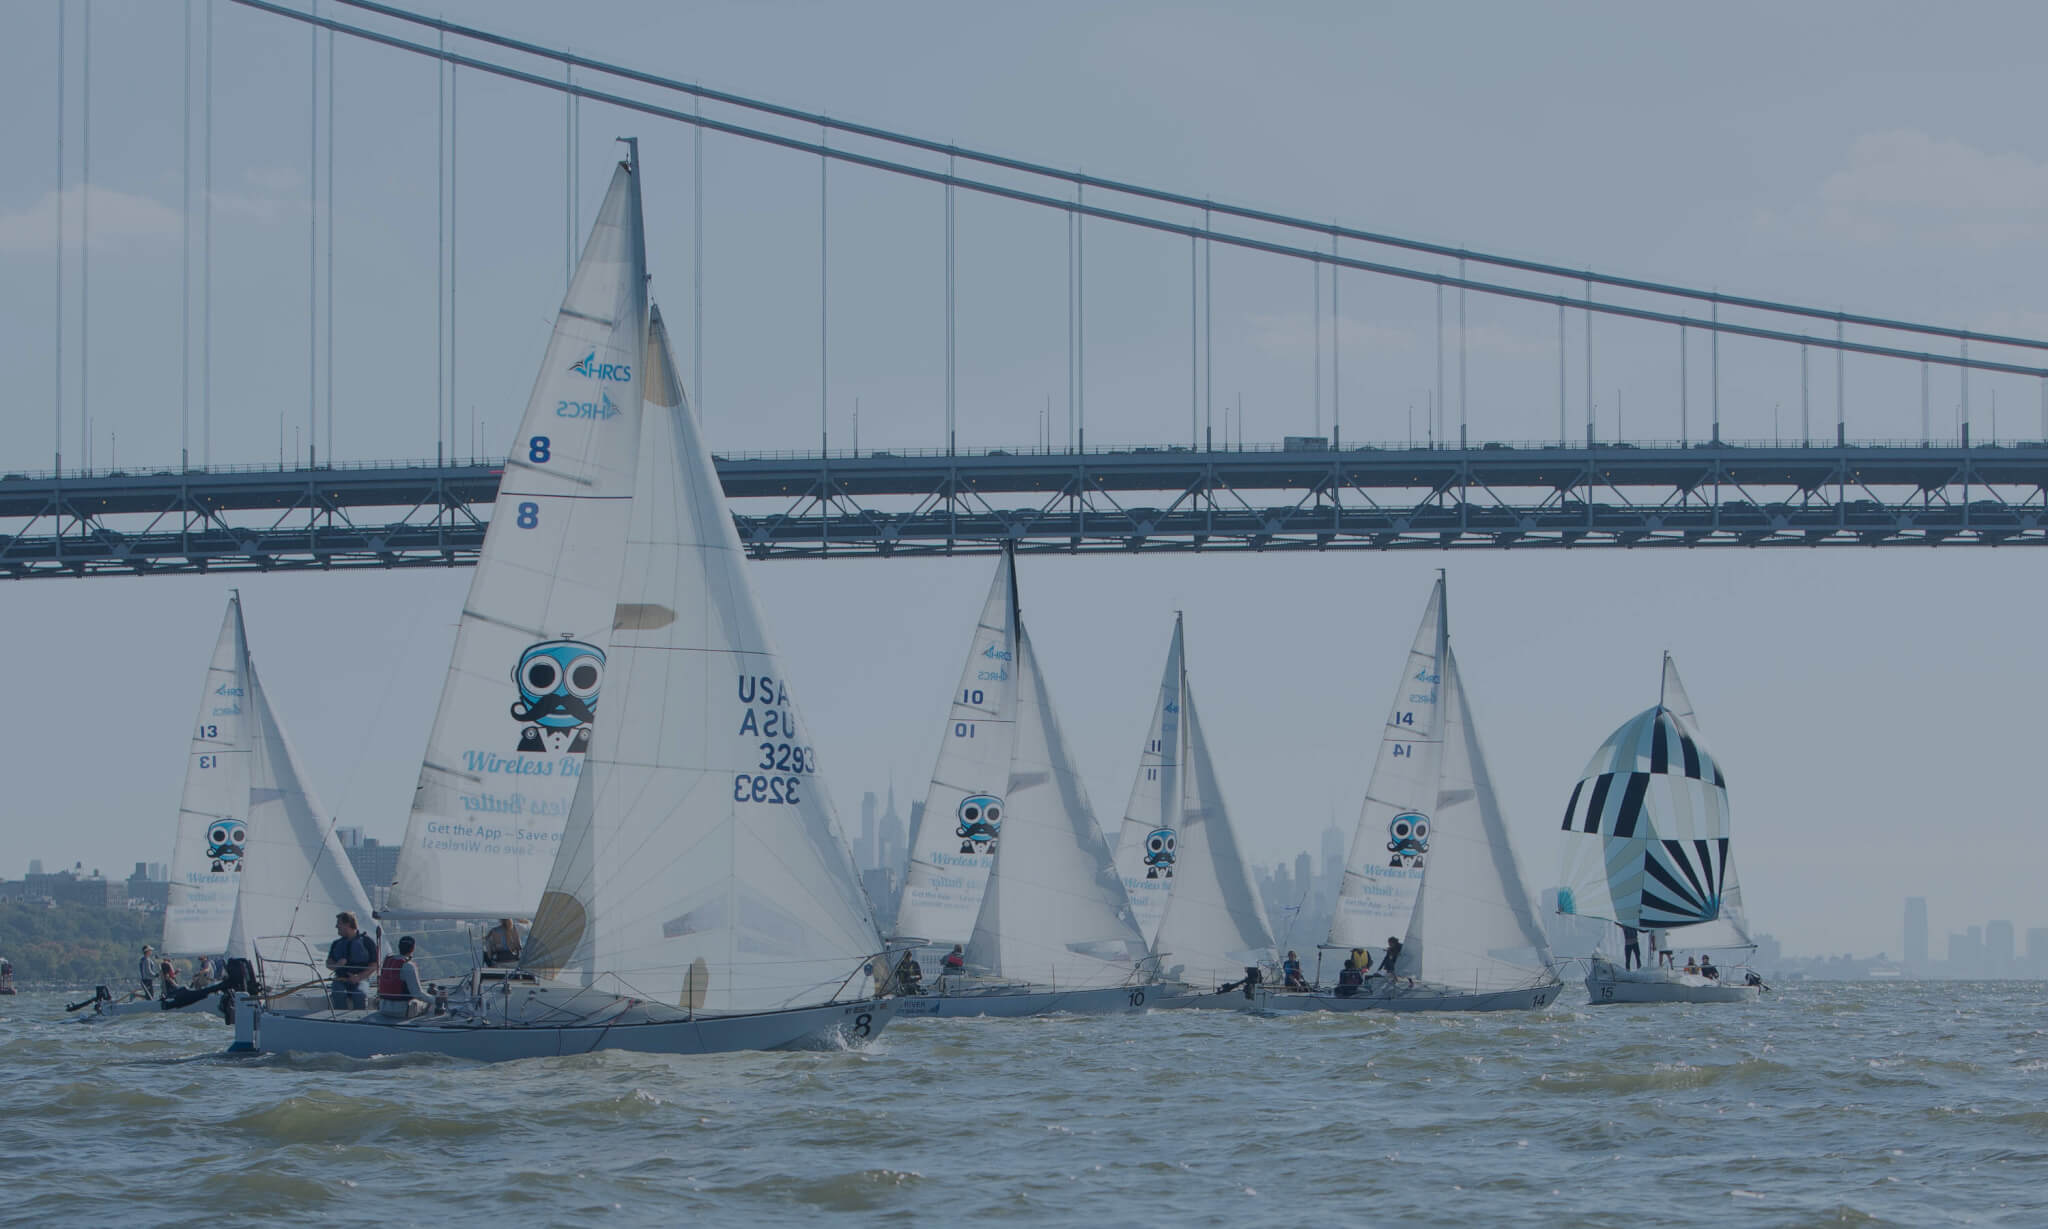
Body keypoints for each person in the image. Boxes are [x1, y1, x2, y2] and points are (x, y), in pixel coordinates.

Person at [326, 911, 378, 1010]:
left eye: (339, 924)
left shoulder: (367, 942)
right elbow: (328, 963)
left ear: (347, 924)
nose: (336, 926)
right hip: (340, 980)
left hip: (361, 980)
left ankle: (360, 1021)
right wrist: (337, 965)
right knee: (338, 993)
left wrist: (359, 977)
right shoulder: (336, 943)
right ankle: (339, 1021)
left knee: (359, 994)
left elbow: (374, 965)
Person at [377, 936, 435, 1018]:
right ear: (413, 948)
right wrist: (436, 999)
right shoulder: (408, 966)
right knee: (429, 1003)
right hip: (401, 1010)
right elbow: (417, 994)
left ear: (399, 947)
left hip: (383, 1008)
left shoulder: (387, 961)